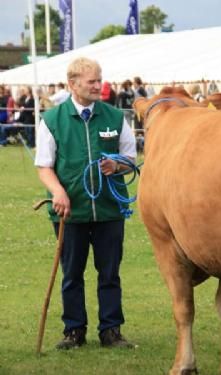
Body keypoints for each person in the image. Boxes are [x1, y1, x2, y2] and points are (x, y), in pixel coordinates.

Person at [35, 56, 137, 350]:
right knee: (72, 274)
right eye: (92, 81)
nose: (98, 86)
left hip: (109, 209)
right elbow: (44, 166)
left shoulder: (115, 117)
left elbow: (130, 159)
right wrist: (58, 192)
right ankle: (74, 331)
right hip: (70, 210)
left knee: (109, 273)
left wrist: (117, 166)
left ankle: (111, 331)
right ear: (73, 84)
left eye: (99, 79)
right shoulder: (52, 120)